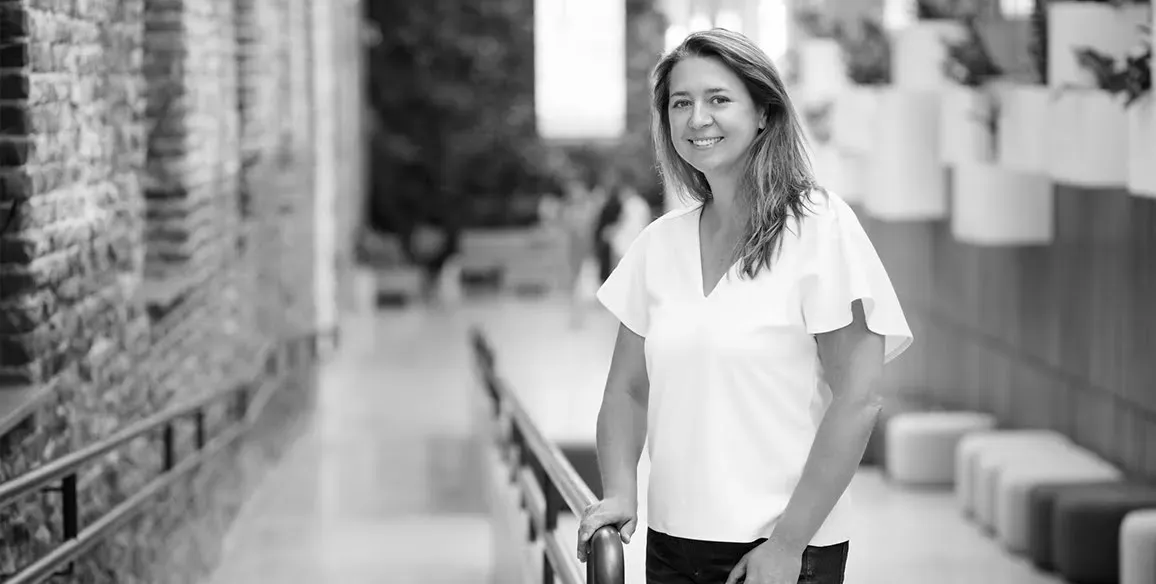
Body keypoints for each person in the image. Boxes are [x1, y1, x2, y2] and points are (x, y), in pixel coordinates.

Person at [575, 29, 913, 584]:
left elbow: (858, 397)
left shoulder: (821, 228)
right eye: (680, 104)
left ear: (763, 112)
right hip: (670, 545)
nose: (696, 118)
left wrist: (786, 546)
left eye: (718, 99)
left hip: (782, 551)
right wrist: (618, 491)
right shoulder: (659, 245)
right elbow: (628, 389)